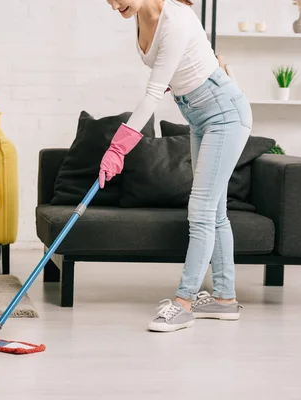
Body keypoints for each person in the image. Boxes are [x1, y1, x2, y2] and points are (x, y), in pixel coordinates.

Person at [99, 0, 252, 332]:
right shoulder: (139, 19)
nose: (113, 5)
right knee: (214, 212)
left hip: (224, 114)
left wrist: (119, 146)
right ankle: (224, 299)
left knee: (200, 210)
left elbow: (154, 91)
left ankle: (184, 303)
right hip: (199, 117)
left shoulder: (177, 19)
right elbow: (175, 72)